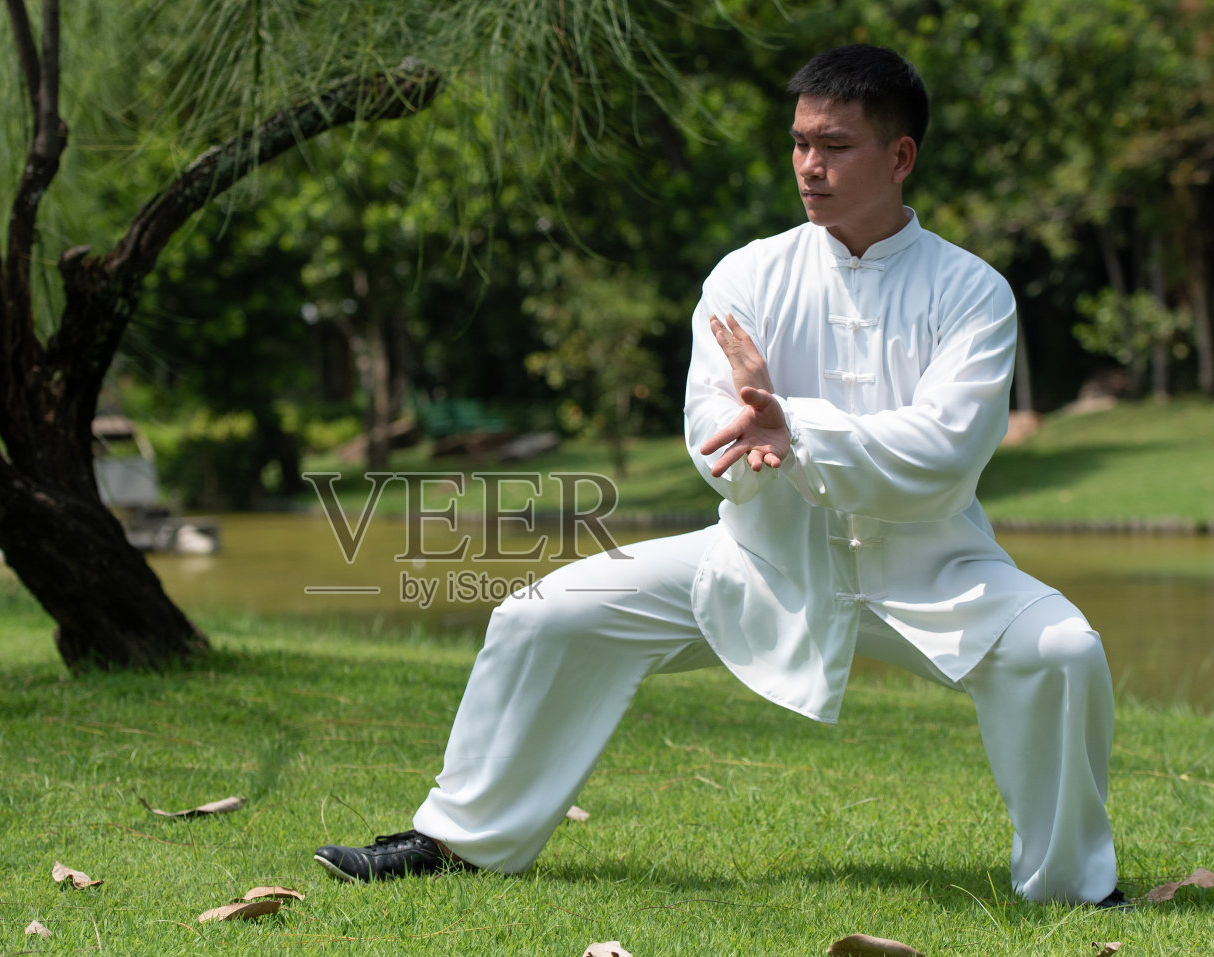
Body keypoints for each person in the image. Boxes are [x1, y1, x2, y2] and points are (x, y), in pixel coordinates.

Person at [313, 44, 1121, 907]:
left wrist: (796, 426)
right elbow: (710, 427)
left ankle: (1073, 886)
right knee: (542, 615)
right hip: (758, 558)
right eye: (800, 142)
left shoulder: (973, 292)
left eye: (836, 145)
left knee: (1064, 650)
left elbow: (945, 451)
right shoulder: (747, 274)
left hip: (934, 572)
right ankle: (457, 841)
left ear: (900, 156)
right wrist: (751, 441)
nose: (810, 165)